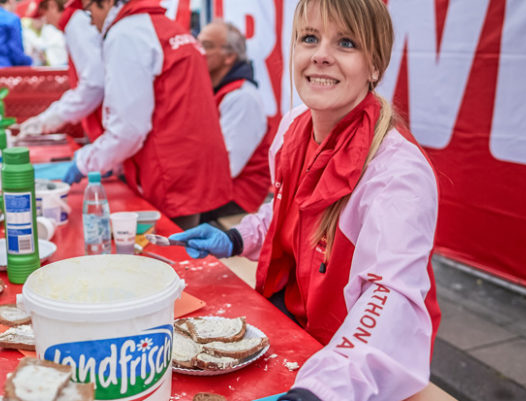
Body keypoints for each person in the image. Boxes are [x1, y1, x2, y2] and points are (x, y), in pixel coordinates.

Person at [170, 0, 442, 399]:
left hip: (352, 368)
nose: (321, 56)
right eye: (309, 38)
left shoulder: (397, 173)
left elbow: (390, 301)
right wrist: (235, 238)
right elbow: (282, 209)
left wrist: (317, 392)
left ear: (376, 65)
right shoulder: (294, 127)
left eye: (346, 42)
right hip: (292, 324)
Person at [66, 0, 233, 229]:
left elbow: (128, 129)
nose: (92, 23)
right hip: (192, 165)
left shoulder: (125, 34)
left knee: (170, 253)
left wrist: (85, 162)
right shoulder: (168, 27)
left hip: (170, 171)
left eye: (89, 12)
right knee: (184, 248)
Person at [197, 21, 272, 222]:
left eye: (206, 45)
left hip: (236, 200)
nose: (198, 50)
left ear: (229, 56)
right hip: (217, 193)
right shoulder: (219, 91)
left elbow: (227, 167)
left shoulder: (242, 97)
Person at [19, 0, 105, 141]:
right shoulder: (75, 24)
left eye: (43, 14)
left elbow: (94, 83)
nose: (45, 22)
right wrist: (47, 118)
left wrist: (50, 119)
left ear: (52, 5)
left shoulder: (77, 24)